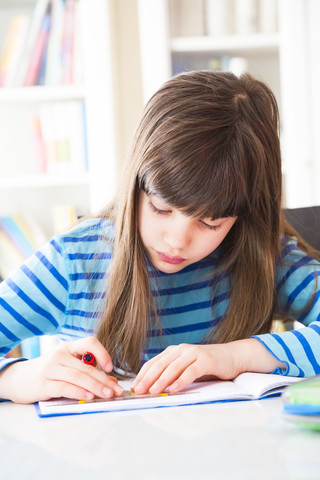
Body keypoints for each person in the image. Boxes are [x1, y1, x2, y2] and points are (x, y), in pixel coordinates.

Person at [0, 71, 320, 404]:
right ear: (135, 184)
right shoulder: (75, 262)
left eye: (211, 223)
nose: (177, 240)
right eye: (160, 208)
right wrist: (19, 378)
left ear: (244, 217)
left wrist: (233, 357)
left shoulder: (262, 254)